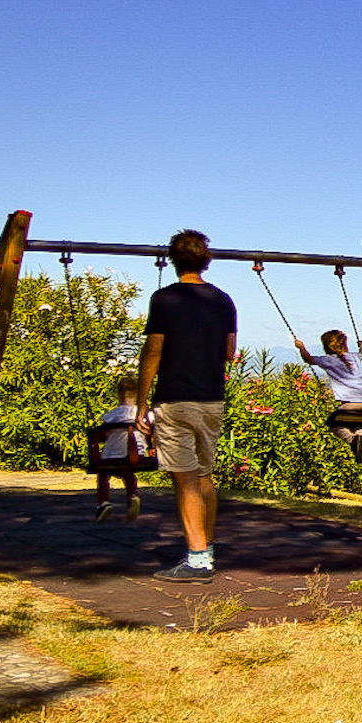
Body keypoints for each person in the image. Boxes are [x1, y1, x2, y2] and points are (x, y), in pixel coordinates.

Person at [136, 229, 237, 583]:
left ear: (173, 259)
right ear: (206, 259)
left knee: (185, 480)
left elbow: (153, 351)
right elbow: (229, 352)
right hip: (212, 399)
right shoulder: (223, 300)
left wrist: (140, 402)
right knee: (204, 475)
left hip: (176, 398)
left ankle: (196, 560)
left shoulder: (164, 299)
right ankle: (205, 549)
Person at [294, 329, 362, 464]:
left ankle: (352, 440)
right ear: (345, 344)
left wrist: (301, 347)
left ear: (326, 347)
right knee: (357, 424)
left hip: (351, 404)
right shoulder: (354, 357)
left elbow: (308, 359)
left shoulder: (327, 360)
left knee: (333, 423)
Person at [93, 374, 151, 521]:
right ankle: (133, 496)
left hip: (112, 456)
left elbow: (100, 435)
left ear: (119, 395)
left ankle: (104, 503)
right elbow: (151, 430)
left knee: (103, 474)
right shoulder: (144, 413)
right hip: (137, 454)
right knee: (128, 471)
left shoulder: (112, 414)